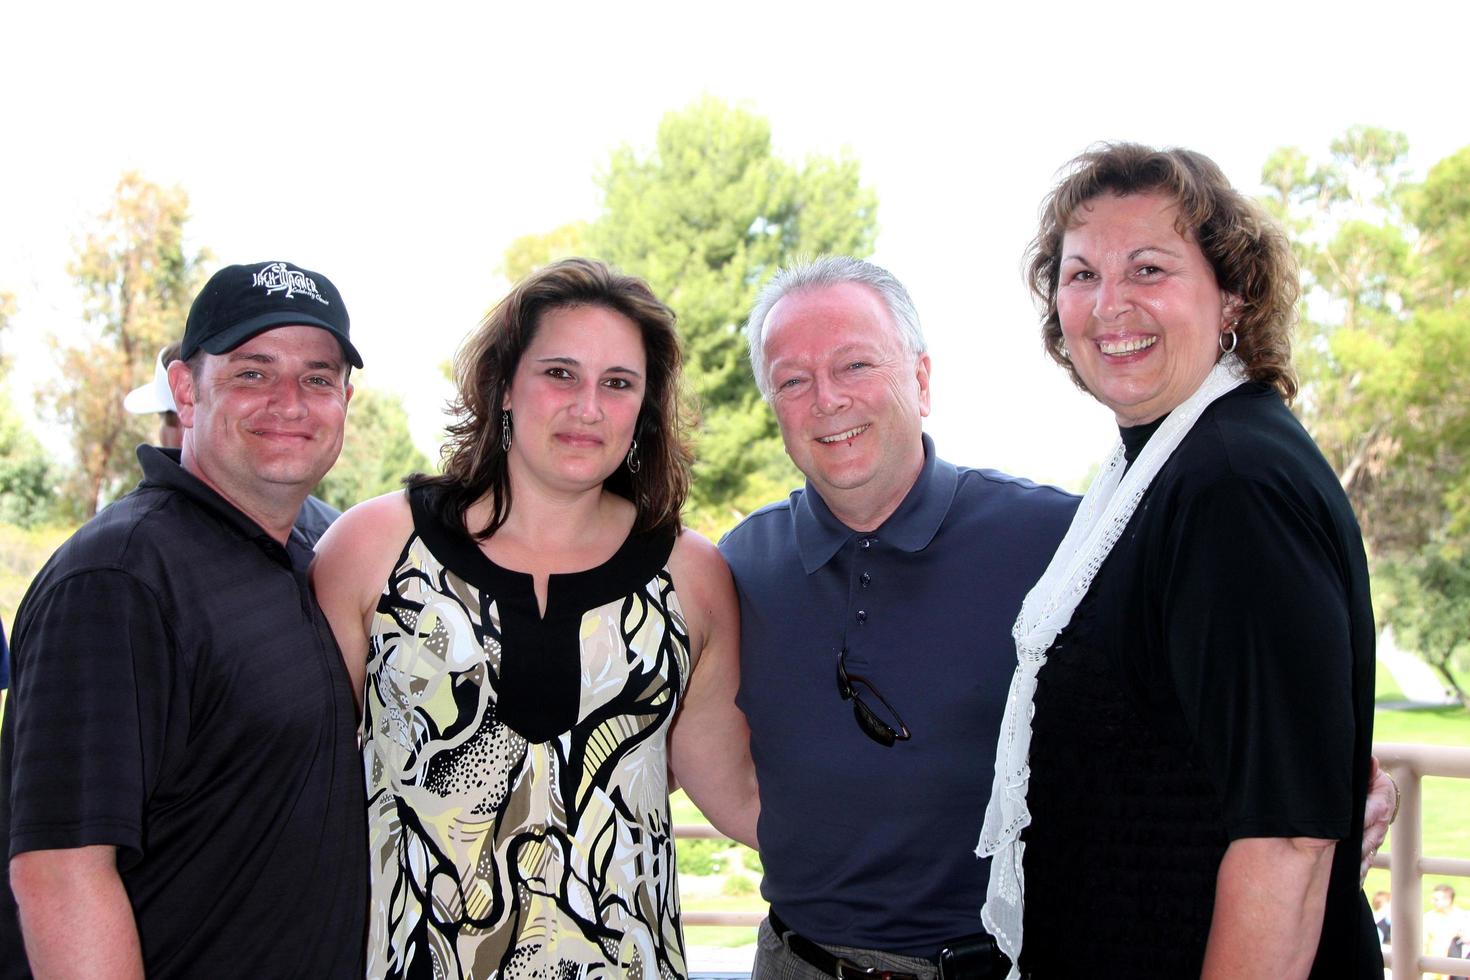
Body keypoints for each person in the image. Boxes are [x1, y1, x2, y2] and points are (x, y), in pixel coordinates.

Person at [977, 143, 1381, 978]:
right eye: (1081, 274)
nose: (1109, 304)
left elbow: (1289, 836)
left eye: (1149, 269)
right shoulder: (1157, 468)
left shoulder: (1233, 484)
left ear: (1231, 293)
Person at [311, 257, 754, 979]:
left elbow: (735, 793)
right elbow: (296, 785)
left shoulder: (692, 576)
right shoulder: (373, 549)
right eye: (560, 374)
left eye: (619, 384)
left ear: (645, 407)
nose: (588, 408)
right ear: (504, 385)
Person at [1, 259, 367, 977]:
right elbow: (61, 872)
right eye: (252, 373)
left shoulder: (314, 552)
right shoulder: (118, 578)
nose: (290, 403)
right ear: (185, 390)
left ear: (346, 401)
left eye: (317, 378)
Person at [718, 256, 1077, 979]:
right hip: (796, 964)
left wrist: (1336, 773)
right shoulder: (739, 565)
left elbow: (1200, 676)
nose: (826, 400)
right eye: (793, 380)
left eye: (854, 365)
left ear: (920, 379)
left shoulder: (1052, 539)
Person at [125, 340, 342, 545]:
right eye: (252, 375)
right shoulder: (334, 532)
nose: (290, 408)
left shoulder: (137, 547)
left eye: (317, 380)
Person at [1426, 884, 1470, 980]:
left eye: (1436, 899)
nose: (1432, 902)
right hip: (1432, 967)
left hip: (1455, 968)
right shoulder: (1428, 918)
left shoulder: (1462, 917)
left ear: (1448, 899)